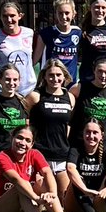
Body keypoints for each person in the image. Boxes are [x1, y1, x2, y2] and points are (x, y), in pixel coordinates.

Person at [0, 125, 78, 212]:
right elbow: (17, 180)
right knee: (20, 187)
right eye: (19, 138)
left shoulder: (34, 154)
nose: (22, 143)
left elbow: (47, 172)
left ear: (32, 144)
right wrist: (36, 198)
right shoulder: (3, 156)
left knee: (41, 182)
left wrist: (52, 194)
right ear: (12, 138)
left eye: (27, 140)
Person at [26, 59, 76, 202]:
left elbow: (68, 124)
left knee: (65, 199)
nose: (55, 79)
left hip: (61, 153)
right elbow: (24, 119)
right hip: (41, 153)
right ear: (44, 77)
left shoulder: (70, 97)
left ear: (64, 76)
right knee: (41, 200)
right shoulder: (36, 96)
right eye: (51, 75)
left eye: (58, 75)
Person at [0, 63, 31, 205]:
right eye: (8, 79)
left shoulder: (24, 103)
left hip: (15, 155)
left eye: (15, 80)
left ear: (19, 81)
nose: (11, 83)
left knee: (14, 192)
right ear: (0, 80)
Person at [0, 0, 37, 97]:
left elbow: (35, 58)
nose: (9, 19)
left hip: (28, 90)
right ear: (0, 17)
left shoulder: (30, 34)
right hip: (4, 91)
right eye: (5, 16)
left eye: (12, 15)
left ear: (20, 16)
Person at [69, 56, 106, 149]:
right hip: (78, 144)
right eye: (100, 71)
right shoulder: (79, 88)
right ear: (94, 70)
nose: (103, 76)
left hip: (102, 146)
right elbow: (68, 119)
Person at [36, 0, 83, 84]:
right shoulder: (46, 33)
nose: (64, 17)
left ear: (74, 14)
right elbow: (35, 60)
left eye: (67, 13)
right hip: (50, 83)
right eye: (60, 13)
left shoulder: (77, 32)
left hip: (70, 83)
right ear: (56, 14)